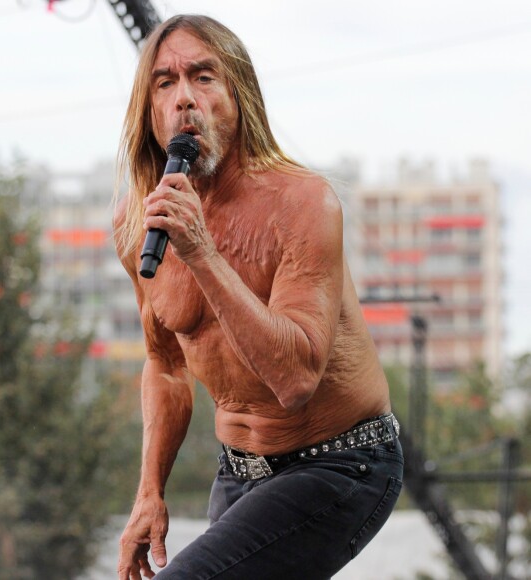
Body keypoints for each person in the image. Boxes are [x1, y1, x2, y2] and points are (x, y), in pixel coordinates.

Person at [113, 14, 403, 580]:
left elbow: (295, 381)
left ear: (239, 95)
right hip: (239, 470)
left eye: (204, 77)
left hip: (344, 463)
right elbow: (165, 363)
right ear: (148, 111)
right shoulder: (138, 221)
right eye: (165, 83)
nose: (185, 100)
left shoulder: (303, 203)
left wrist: (201, 251)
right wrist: (149, 492)